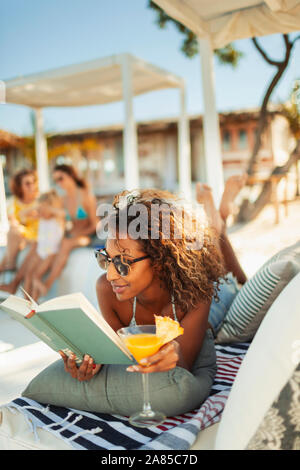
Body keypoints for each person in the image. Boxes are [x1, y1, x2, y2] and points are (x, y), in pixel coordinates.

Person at [58, 188, 228, 417]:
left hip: (217, 302)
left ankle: (219, 224)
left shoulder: (196, 295)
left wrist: (175, 354)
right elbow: (117, 354)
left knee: (230, 280)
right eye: (106, 259)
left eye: (123, 263)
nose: (110, 275)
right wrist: (90, 365)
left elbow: (183, 366)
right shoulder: (107, 290)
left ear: (160, 260)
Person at [32, 164, 98, 300]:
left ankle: (48, 284)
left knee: (66, 244)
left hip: (86, 235)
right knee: (54, 246)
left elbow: (95, 225)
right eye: (55, 180)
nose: (58, 183)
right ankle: (35, 289)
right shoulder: (63, 199)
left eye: (60, 178)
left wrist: (77, 234)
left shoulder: (86, 196)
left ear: (70, 176)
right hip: (70, 235)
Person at [20, 190, 65, 300]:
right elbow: (22, 214)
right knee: (28, 275)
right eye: (41, 209)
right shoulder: (41, 218)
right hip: (40, 252)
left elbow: (61, 213)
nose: (42, 212)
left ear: (52, 207)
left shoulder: (57, 219)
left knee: (36, 277)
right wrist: (37, 207)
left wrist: (48, 209)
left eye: (45, 209)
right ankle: (26, 303)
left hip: (51, 254)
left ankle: (34, 304)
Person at [0, 169, 39, 273]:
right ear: (19, 186)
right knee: (13, 230)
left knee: (13, 232)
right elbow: (13, 223)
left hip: (37, 236)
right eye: (27, 183)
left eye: (33, 182)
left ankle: (9, 264)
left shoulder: (40, 200)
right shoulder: (13, 202)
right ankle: (8, 264)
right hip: (21, 235)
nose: (32, 186)